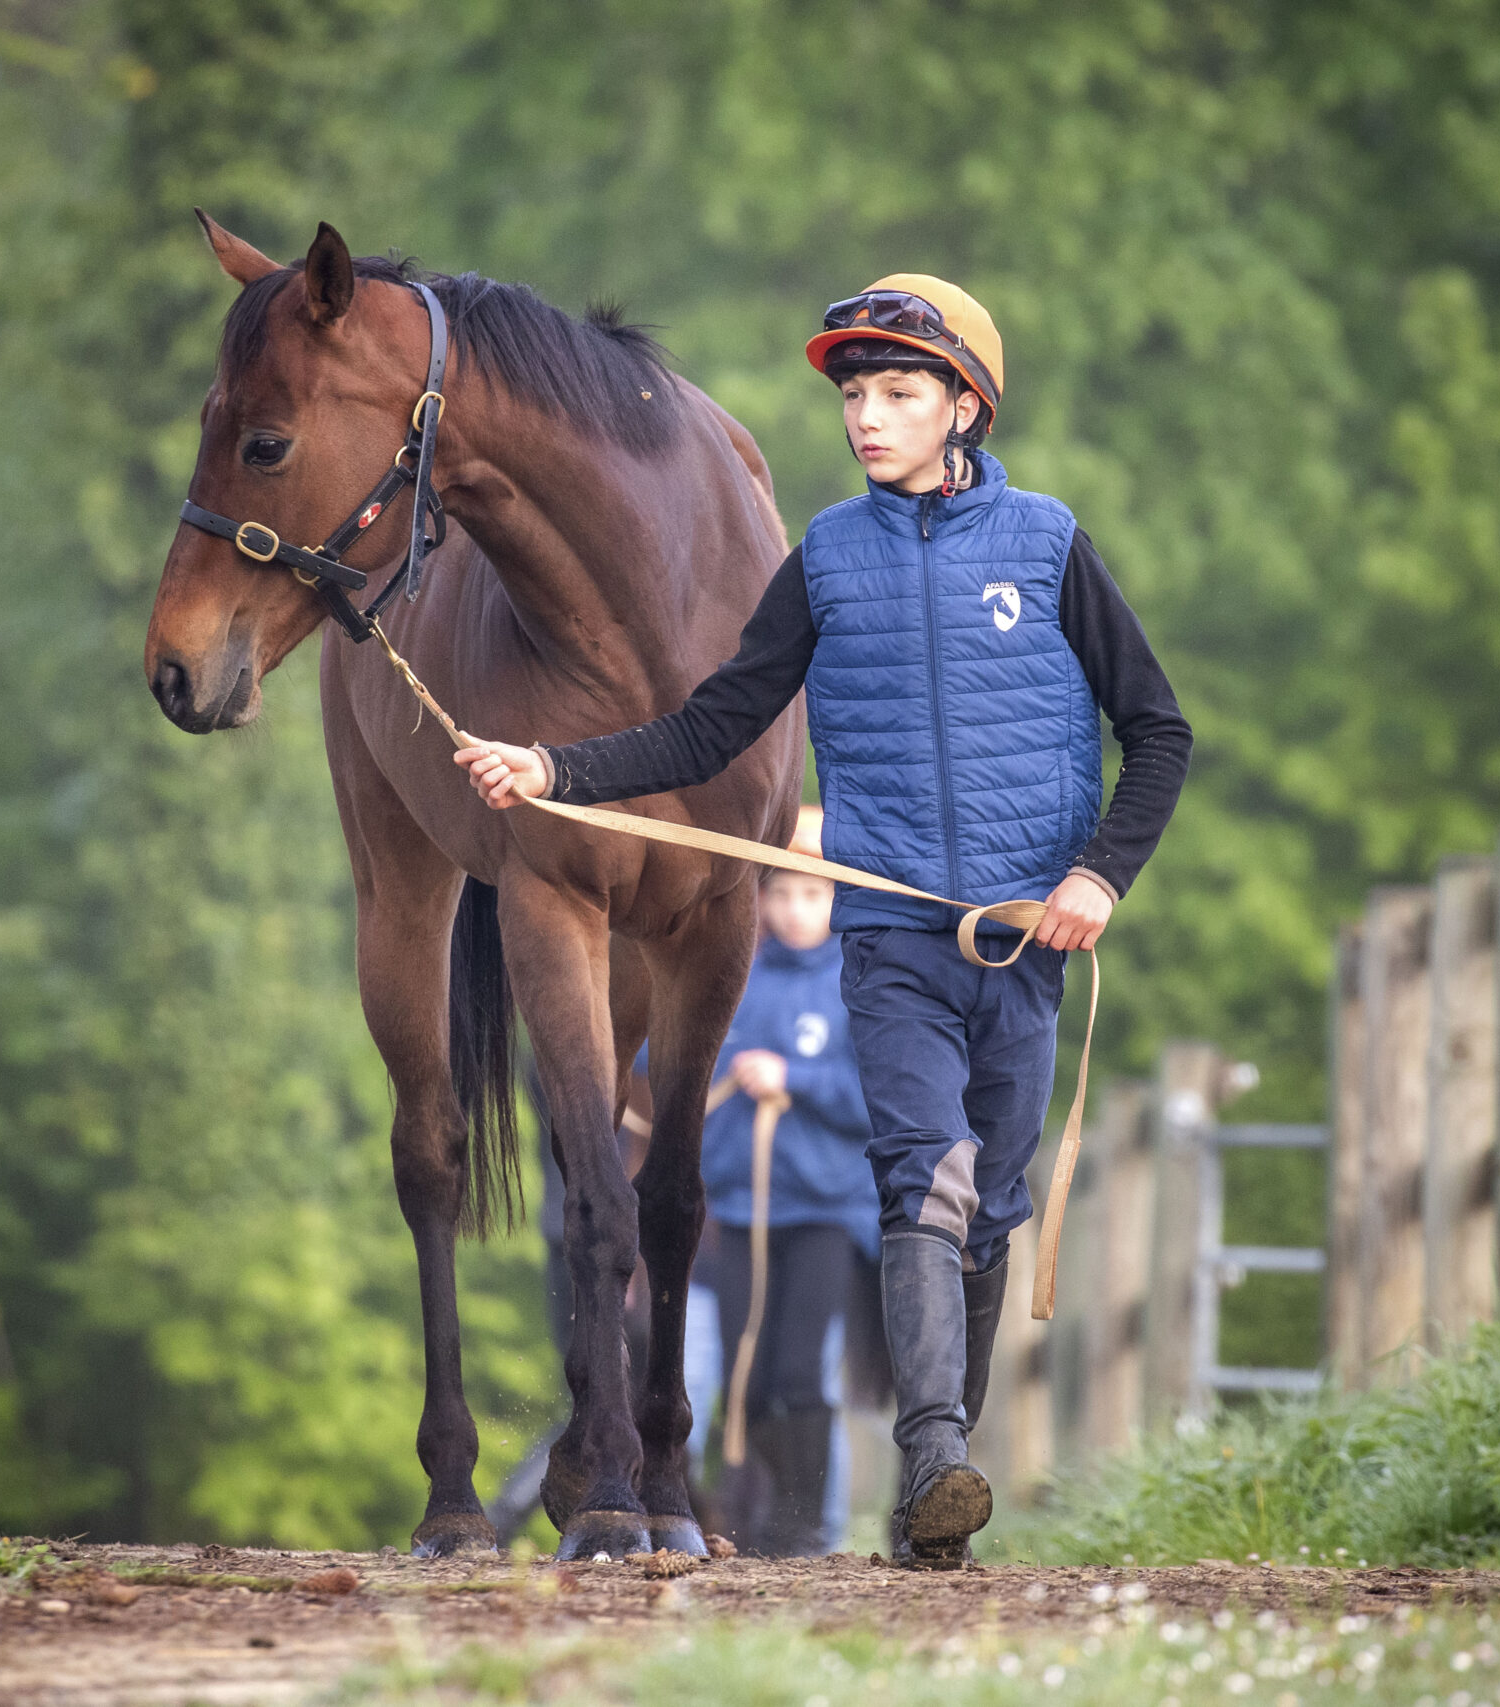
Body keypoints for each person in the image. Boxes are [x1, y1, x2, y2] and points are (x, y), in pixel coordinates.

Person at [456, 276, 1192, 1567]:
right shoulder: (826, 562)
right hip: (893, 935)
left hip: (1027, 937)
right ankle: (935, 1456)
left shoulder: (1051, 543)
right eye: (855, 393)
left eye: (899, 392)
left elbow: (1161, 731)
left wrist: (1099, 878)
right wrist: (553, 771)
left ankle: (932, 1487)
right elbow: (711, 724)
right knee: (926, 1173)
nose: (867, 416)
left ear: (964, 404)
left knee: (996, 1198)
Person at [694, 805, 877, 1557]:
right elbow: (665, 1057)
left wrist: (791, 1080)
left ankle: (807, 1526)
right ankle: (764, 1524)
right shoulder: (738, 972)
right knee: (751, 1371)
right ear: (761, 899)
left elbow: (877, 1096)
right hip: (741, 1206)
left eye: (812, 894)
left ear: (837, 898)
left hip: (826, 1208)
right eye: (781, 894)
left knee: (802, 1371)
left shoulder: (859, 981)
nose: (795, 909)